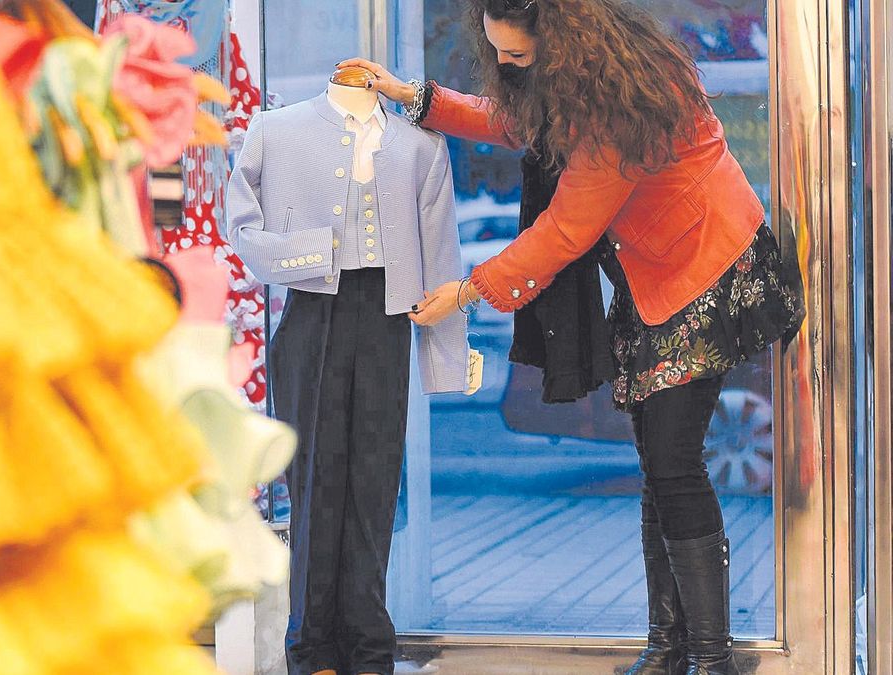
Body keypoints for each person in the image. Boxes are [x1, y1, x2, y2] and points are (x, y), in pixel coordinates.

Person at [341, 0, 804, 673]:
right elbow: (517, 123)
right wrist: (416, 97)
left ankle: (711, 659)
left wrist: (468, 291)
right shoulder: (594, 77)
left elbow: (564, 232)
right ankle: (670, 649)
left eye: (515, 56)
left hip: (707, 273)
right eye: (495, 51)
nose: (503, 65)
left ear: (560, 39)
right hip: (658, 275)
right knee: (661, 465)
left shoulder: (614, 111)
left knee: (673, 464)